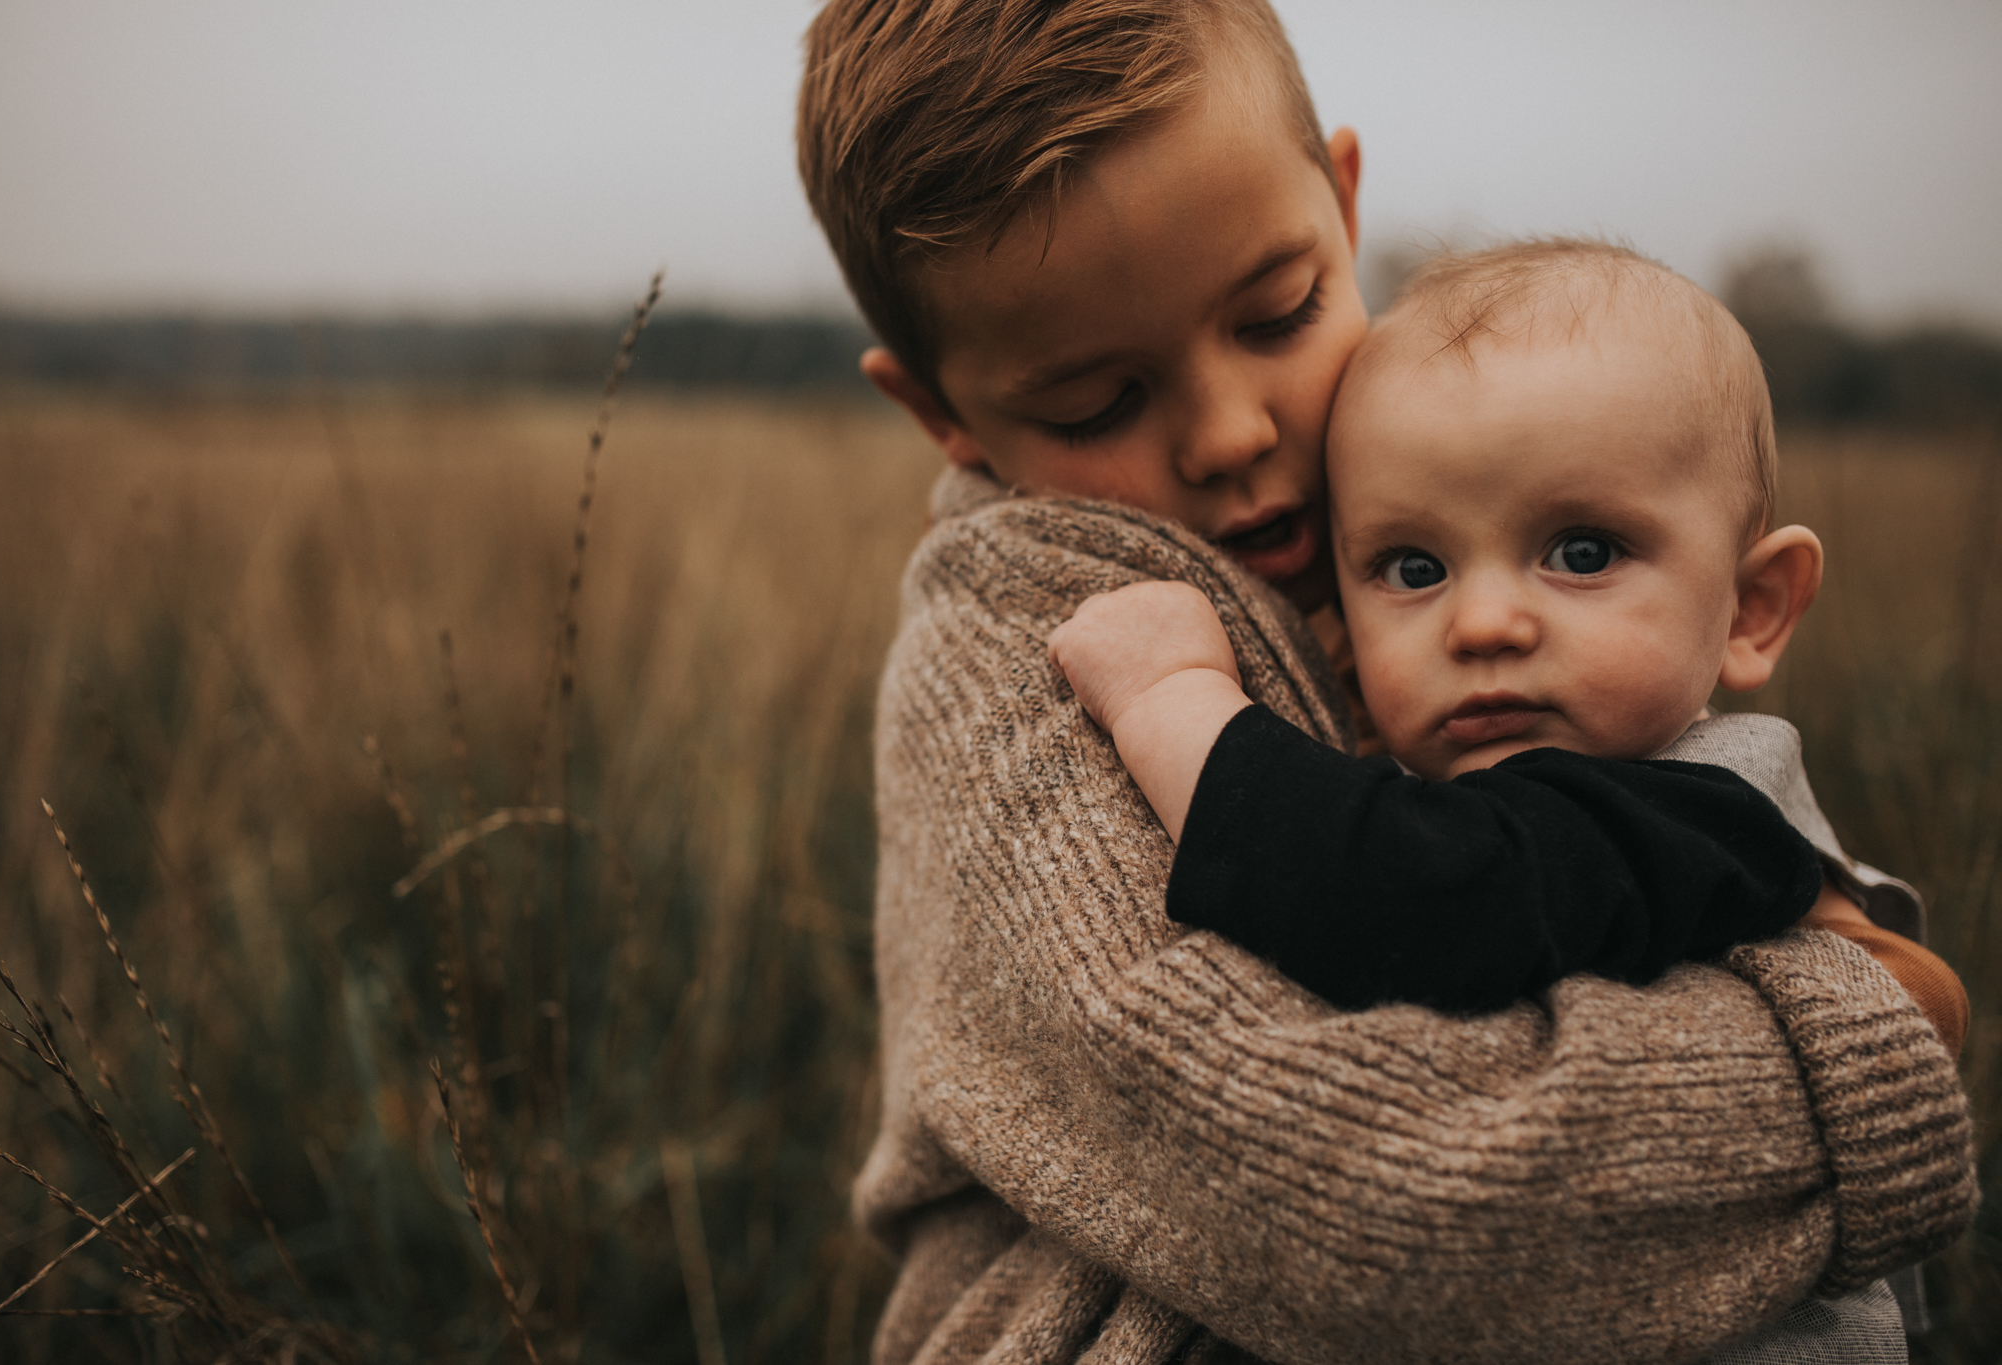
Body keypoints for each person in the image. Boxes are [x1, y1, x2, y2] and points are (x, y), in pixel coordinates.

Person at [795, 2, 1977, 1361]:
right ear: (942, 412)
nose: (1235, 434)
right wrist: (1859, 1036)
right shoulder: (1030, 661)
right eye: (1092, 406)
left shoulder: (1392, 527)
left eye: (1279, 312)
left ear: (1343, 204)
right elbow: (1381, 1196)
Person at [1047, 240, 1969, 1362]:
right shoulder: (1517, 782)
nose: (1480, 624)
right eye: (1412, 569)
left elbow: (1421, 893)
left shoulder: (1700, 807)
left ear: (1752, 609)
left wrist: (1170, 698)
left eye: (1581, 551)